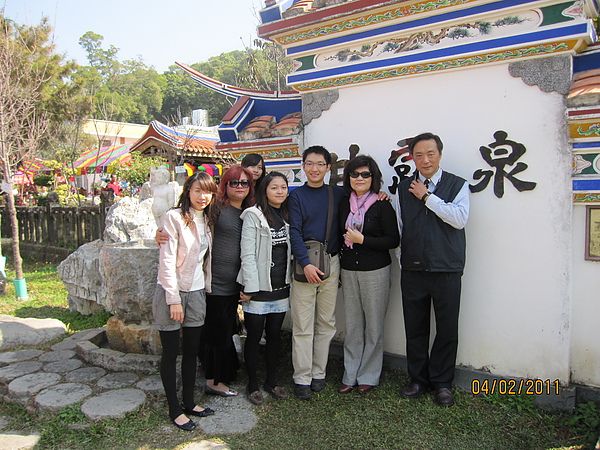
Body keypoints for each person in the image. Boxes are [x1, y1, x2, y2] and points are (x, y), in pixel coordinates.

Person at [396, 132, 470, 407]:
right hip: (413, 270)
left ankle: (442, 383)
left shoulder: (457, 185)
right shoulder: (403, 188)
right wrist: (403, 261)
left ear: (440, 154)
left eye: (430, 154)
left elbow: (460, 219)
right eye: (418, 155)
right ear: (412, 157)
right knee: (415, 328)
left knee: (447, 328)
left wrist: (428, 197)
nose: (425, 160)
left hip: (447, 268)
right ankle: (418, 380)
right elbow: (401, 228)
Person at [153, 171, 217, 431]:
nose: (203, 196)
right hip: (172, 293)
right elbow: (166, 260)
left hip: (198, 293)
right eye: (197, 190)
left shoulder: (209, 220)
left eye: (208, 191)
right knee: (171, 353)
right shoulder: (173, 217)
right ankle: (174, 409)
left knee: (192, 352)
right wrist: (173, 298)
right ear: (188, 190)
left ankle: (190, 402)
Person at [288, 145, 347, 400]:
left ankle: (318, 373)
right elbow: (295, 231)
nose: (314, 169)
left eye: (320, 164)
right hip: (304, 266)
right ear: (303, 166)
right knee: (302, 324)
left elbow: (363, 198)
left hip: (331, 264)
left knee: (326, 322)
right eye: (309, 164)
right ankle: (301, 377)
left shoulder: (338, 193)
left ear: (328, 168)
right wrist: (306, 263)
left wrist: (382, 197)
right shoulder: (296, 196)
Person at [337, 155, 399, 395]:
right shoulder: (345, 203)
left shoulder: (382, 204)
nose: (359, 178)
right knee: (352, 325)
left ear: (373, 178)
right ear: (349, 178)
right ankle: (349, 373)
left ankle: (369, 375)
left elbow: (393, 240)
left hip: (376, 271)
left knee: (373, 326)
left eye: (365, 174)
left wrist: (363, 240)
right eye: (355, 174)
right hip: (349, 269)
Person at [237, 172, 291, 405]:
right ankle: (253, 383)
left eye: (283, 187)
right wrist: (249, 286)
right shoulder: (253, 215)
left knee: (275, 336)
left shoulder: (289, 214)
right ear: (265, 191)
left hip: (281, 286)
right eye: (274, 188)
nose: (279, 192)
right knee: (254, 336)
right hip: (257, 288)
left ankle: (271, 380)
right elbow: (247, 254)